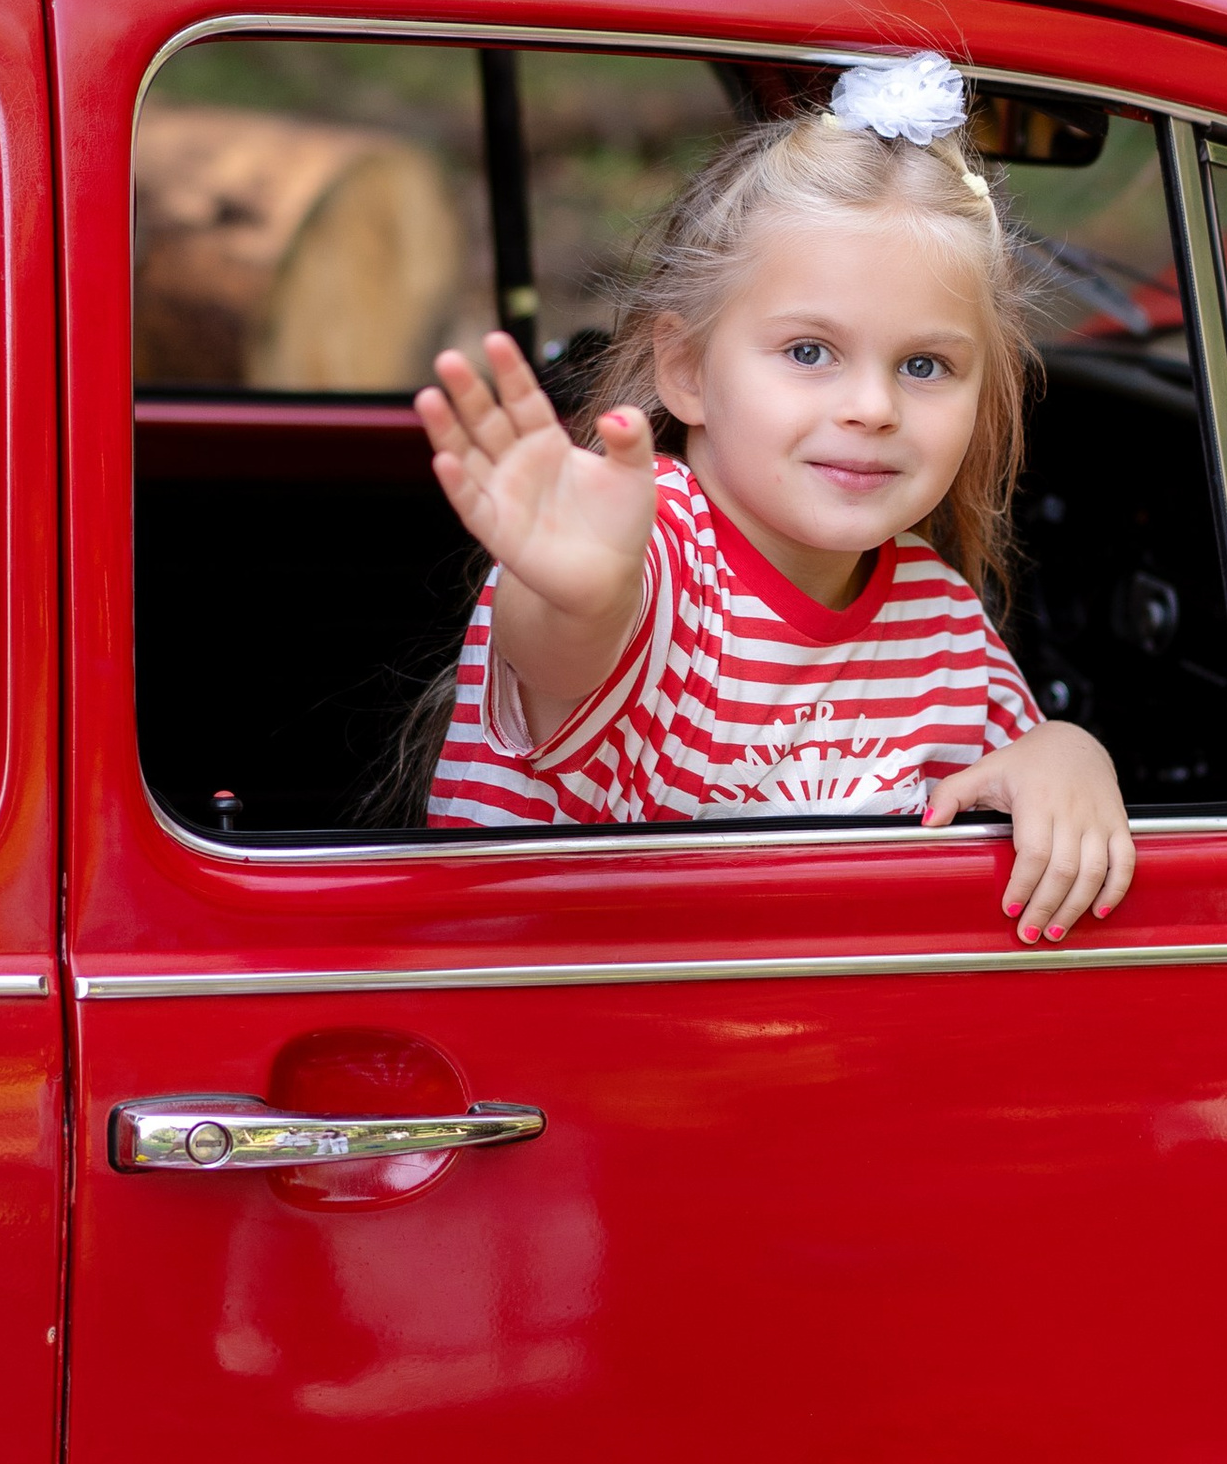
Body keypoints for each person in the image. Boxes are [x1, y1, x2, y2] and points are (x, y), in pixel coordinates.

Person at [414, 52, 1135, 943]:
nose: (871, 408)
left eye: (924, 366)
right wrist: (574, 592)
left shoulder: (939, 619)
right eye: (808, 353)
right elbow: (565, 664)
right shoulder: (647, 547)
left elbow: (1008, 780)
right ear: (686, 370)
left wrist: (1066, 754)